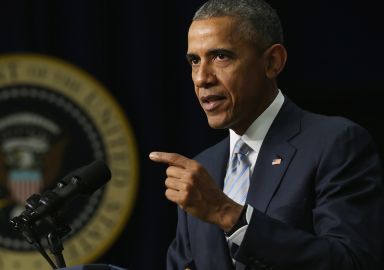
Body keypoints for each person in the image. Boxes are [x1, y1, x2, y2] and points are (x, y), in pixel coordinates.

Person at [149, 0, 384, 269]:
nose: (202, 77)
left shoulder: (336, 144)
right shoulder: (204, 168)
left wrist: (229, 215)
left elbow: (353, 262)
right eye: (194, 60)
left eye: (221, 56)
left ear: (273, 62)